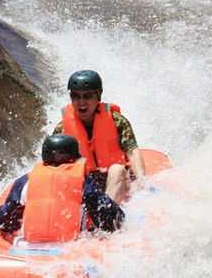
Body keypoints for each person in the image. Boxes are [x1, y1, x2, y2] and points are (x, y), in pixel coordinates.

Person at [0, 135, 125, 242]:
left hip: (29, 247)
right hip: (69, 248)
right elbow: (111, 217)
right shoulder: (82, 181)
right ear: (74, 157)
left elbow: (5, 220)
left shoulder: (25, 180)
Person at [52, 70, 146, 204]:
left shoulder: (117, 121)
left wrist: (142, 181)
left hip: (115, 180)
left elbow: (132, 150)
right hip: (85, 184)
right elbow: (52, 166)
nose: (81, 102)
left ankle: (108, 214)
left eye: (87, 96)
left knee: (117, 170)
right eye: (76, 96)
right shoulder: (62, 130)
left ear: (98, 95)